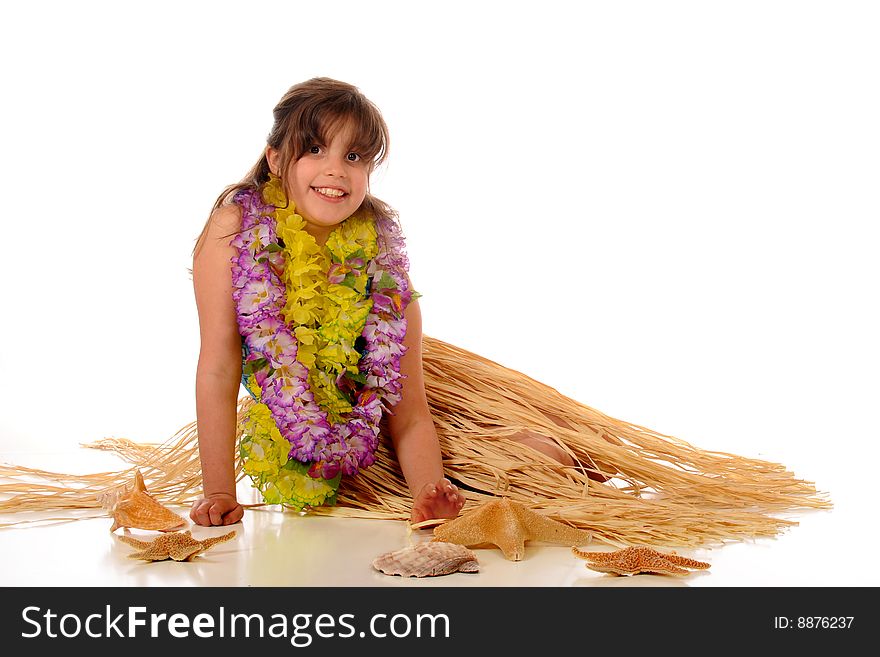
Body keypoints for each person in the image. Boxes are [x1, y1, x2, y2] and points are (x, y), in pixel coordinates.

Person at [0, 78, 829, 548]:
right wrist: (220, 491)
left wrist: (429, 481)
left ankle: (568, 461)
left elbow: (410, 399)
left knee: (532, 457)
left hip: (386, 411)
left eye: (357, 156)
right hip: (300, 432)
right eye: (318, 148)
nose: (338, 170)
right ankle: (529, 467)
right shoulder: (232, 229)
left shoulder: (382, 250)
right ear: (277, 156)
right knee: (453, 476)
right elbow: (220, 363)